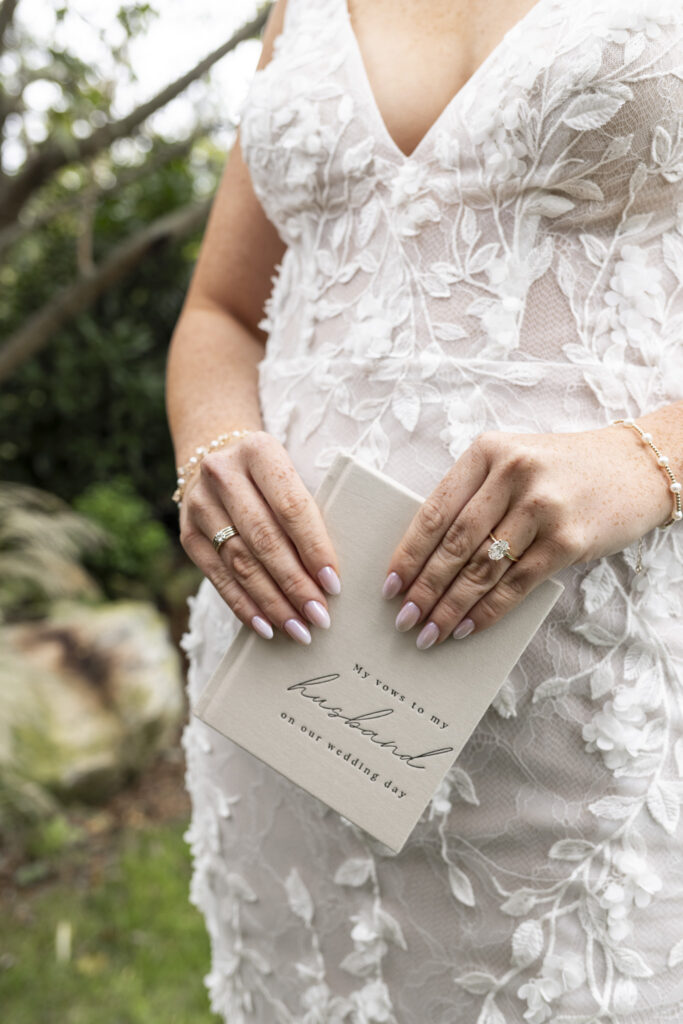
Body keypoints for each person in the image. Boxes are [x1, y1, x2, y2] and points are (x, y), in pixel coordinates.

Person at [165, 0, 683, 1019]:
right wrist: (213, 449)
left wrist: (645, 462)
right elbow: (218, 311)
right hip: (288, 690)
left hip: (595, 721)